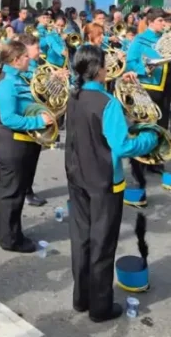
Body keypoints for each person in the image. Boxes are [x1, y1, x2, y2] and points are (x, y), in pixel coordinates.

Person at [65, 46, 159, 322]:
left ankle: (81, 298)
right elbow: (122, 145)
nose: (109, 68)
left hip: (77, 176)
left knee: (81, 240)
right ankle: (100, 308)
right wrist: (150, 139)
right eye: (106, 65)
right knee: (102, 245)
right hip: (104, 181)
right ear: (98, 70)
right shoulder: (108, 104)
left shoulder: (74, 95)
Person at [0, 40, 53, 253]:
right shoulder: (8, 84)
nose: (29, 59)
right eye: (26, 56)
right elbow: (9, 119)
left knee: (15, 193)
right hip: (12, 144)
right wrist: (39, 121)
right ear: (16, 60)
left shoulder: (19, 77)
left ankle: (14, 233)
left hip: (20, 143)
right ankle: (9, 239)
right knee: (11, 194)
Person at [123, 8, 171, 196]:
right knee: (143, 128)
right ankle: (137, 168)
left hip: (165, 89)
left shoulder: (168, 38)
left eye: (165, 21)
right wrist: (145, 67)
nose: (164, 24)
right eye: (160, 21)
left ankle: (153, 162)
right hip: (147, 89)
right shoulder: (140, 40)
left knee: (160, 127)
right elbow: (130, 63)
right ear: (150, 22)